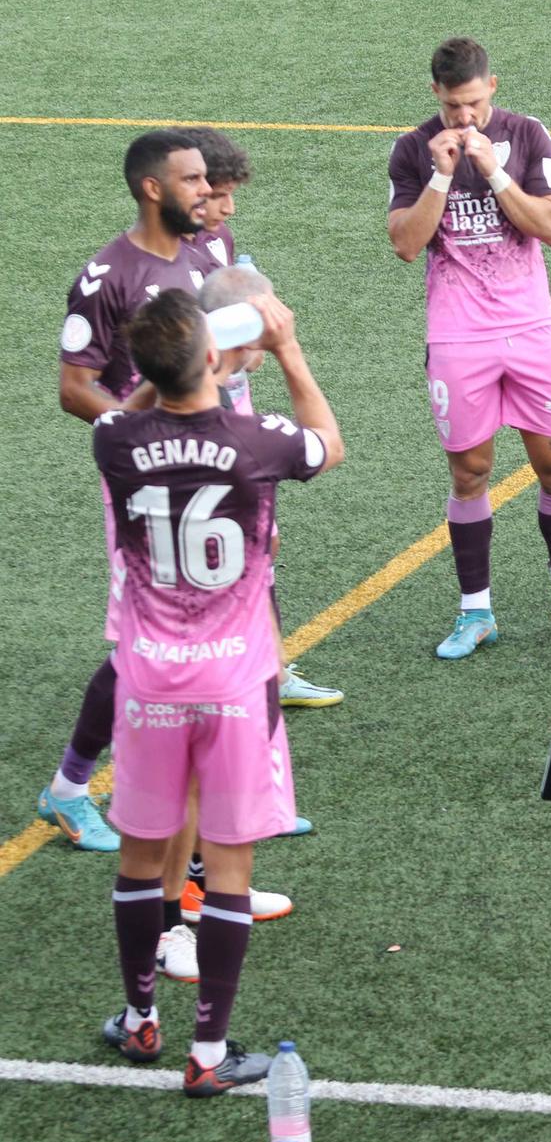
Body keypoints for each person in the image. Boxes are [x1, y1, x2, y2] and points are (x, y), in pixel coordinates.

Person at [95, 288, 344, 1096]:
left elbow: (127, 414)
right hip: (236, 679)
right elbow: (327, 444)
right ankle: (209, 1054)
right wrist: (288, 349)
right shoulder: (256, 438)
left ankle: (139, 1020)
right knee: (228, 863)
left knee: (139, 858)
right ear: (215, 357)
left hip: (148, 680)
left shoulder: (117, 439)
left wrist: (157, 378)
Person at [40, 130, 214, 853]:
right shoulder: (105, 274)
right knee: (143, 644)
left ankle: (224, 799)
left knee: (208, 635)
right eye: (194, 179)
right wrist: (141, 429)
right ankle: (70, 788)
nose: (207, 190)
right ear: (152, 188)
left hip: (212, 472)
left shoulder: (210, 256)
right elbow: (72, 387)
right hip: (145, 484)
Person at [389, 36, 551, 659]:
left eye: (472, 104)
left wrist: (493, 169)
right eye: (451, 107)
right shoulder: (413, 150)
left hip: (531, 330)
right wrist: (442, 177)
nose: (463, 118)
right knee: (469, 473)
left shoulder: (528, 136)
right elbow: (405, 243)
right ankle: (476, 612)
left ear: (491, 87)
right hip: (458, 336)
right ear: (435, 96)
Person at [180, 125, 344, 711]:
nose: (228, 206)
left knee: (259, 541)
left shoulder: (215, 244)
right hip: (187, 429)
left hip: (231, 407)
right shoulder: (150, 269)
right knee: (198, 565)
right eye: (217, 194)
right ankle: (224, 675)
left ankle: (268, 665)